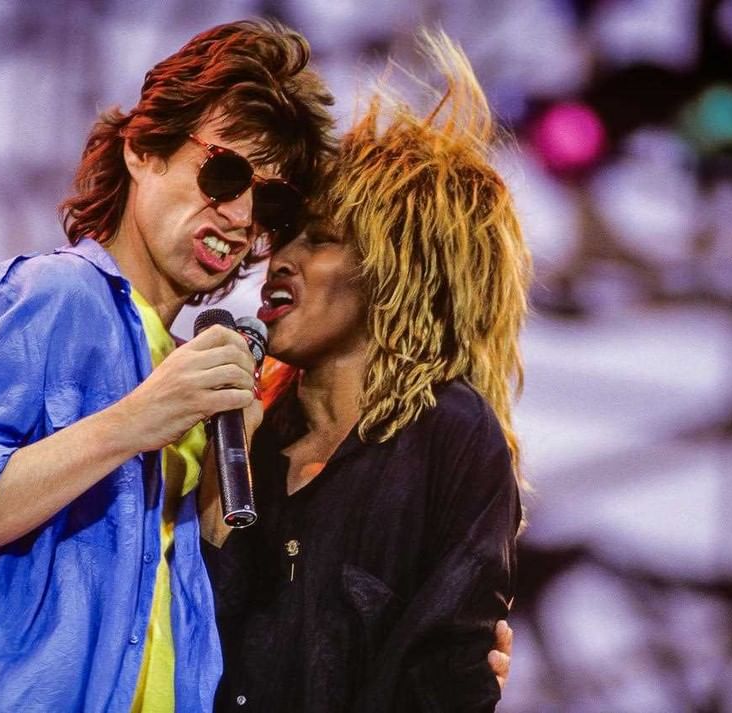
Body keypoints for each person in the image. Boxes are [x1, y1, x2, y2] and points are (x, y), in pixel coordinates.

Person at [0, 20, 336, 712]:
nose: (241, 215)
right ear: (143, 149)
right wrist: (132, 422)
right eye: (223, 173)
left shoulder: (202, 374)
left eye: (269, 202)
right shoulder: (53, 297)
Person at [202, 31, 530, 712]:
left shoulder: (452, 436)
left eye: (320, 238)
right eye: (284, 234)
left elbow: (444, 675)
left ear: (397, 270)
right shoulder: (242, 437)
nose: (279, 257)